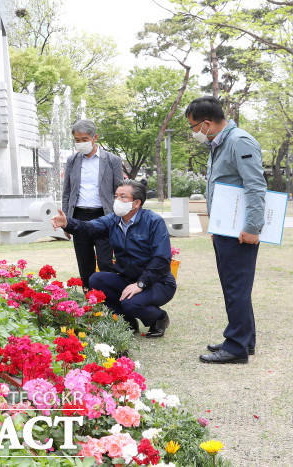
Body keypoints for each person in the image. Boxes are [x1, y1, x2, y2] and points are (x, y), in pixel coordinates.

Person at [185, 96, 266, 364]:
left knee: (235, 288)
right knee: (235, 286)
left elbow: (255, 186)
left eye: (194, 127)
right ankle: (245, 339)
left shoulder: (238, 141)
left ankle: (236, 348)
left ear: (207, 123)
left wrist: (253, 227)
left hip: (240, 231)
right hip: (226, 229)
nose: (195, 133)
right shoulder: (219, 143)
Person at [52, 180, 175, 337]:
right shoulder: (113, 220)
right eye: (116, 196)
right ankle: (128, 322)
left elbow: (162, 259)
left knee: (130, 303)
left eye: (123, 197)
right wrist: (67, 223)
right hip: (128, 278)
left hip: (158, 282)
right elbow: (89, 228)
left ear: (136, 203)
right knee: (97, 280)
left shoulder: (153, 222)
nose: (117, 200)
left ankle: (159, 318)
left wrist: (140, 284)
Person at [62, 119, 123, 288]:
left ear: (94, 137)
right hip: (79, 216)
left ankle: (110, 302)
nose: (80, 143)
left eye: (84, 139)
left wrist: (121, 218)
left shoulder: (112, 160)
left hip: (104, 216)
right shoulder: (72, 161)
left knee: (105, 263)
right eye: (77, 140)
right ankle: (89, 303)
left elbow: (120, 191)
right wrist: (66, 221)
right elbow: (67, 192)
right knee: (84, 263)